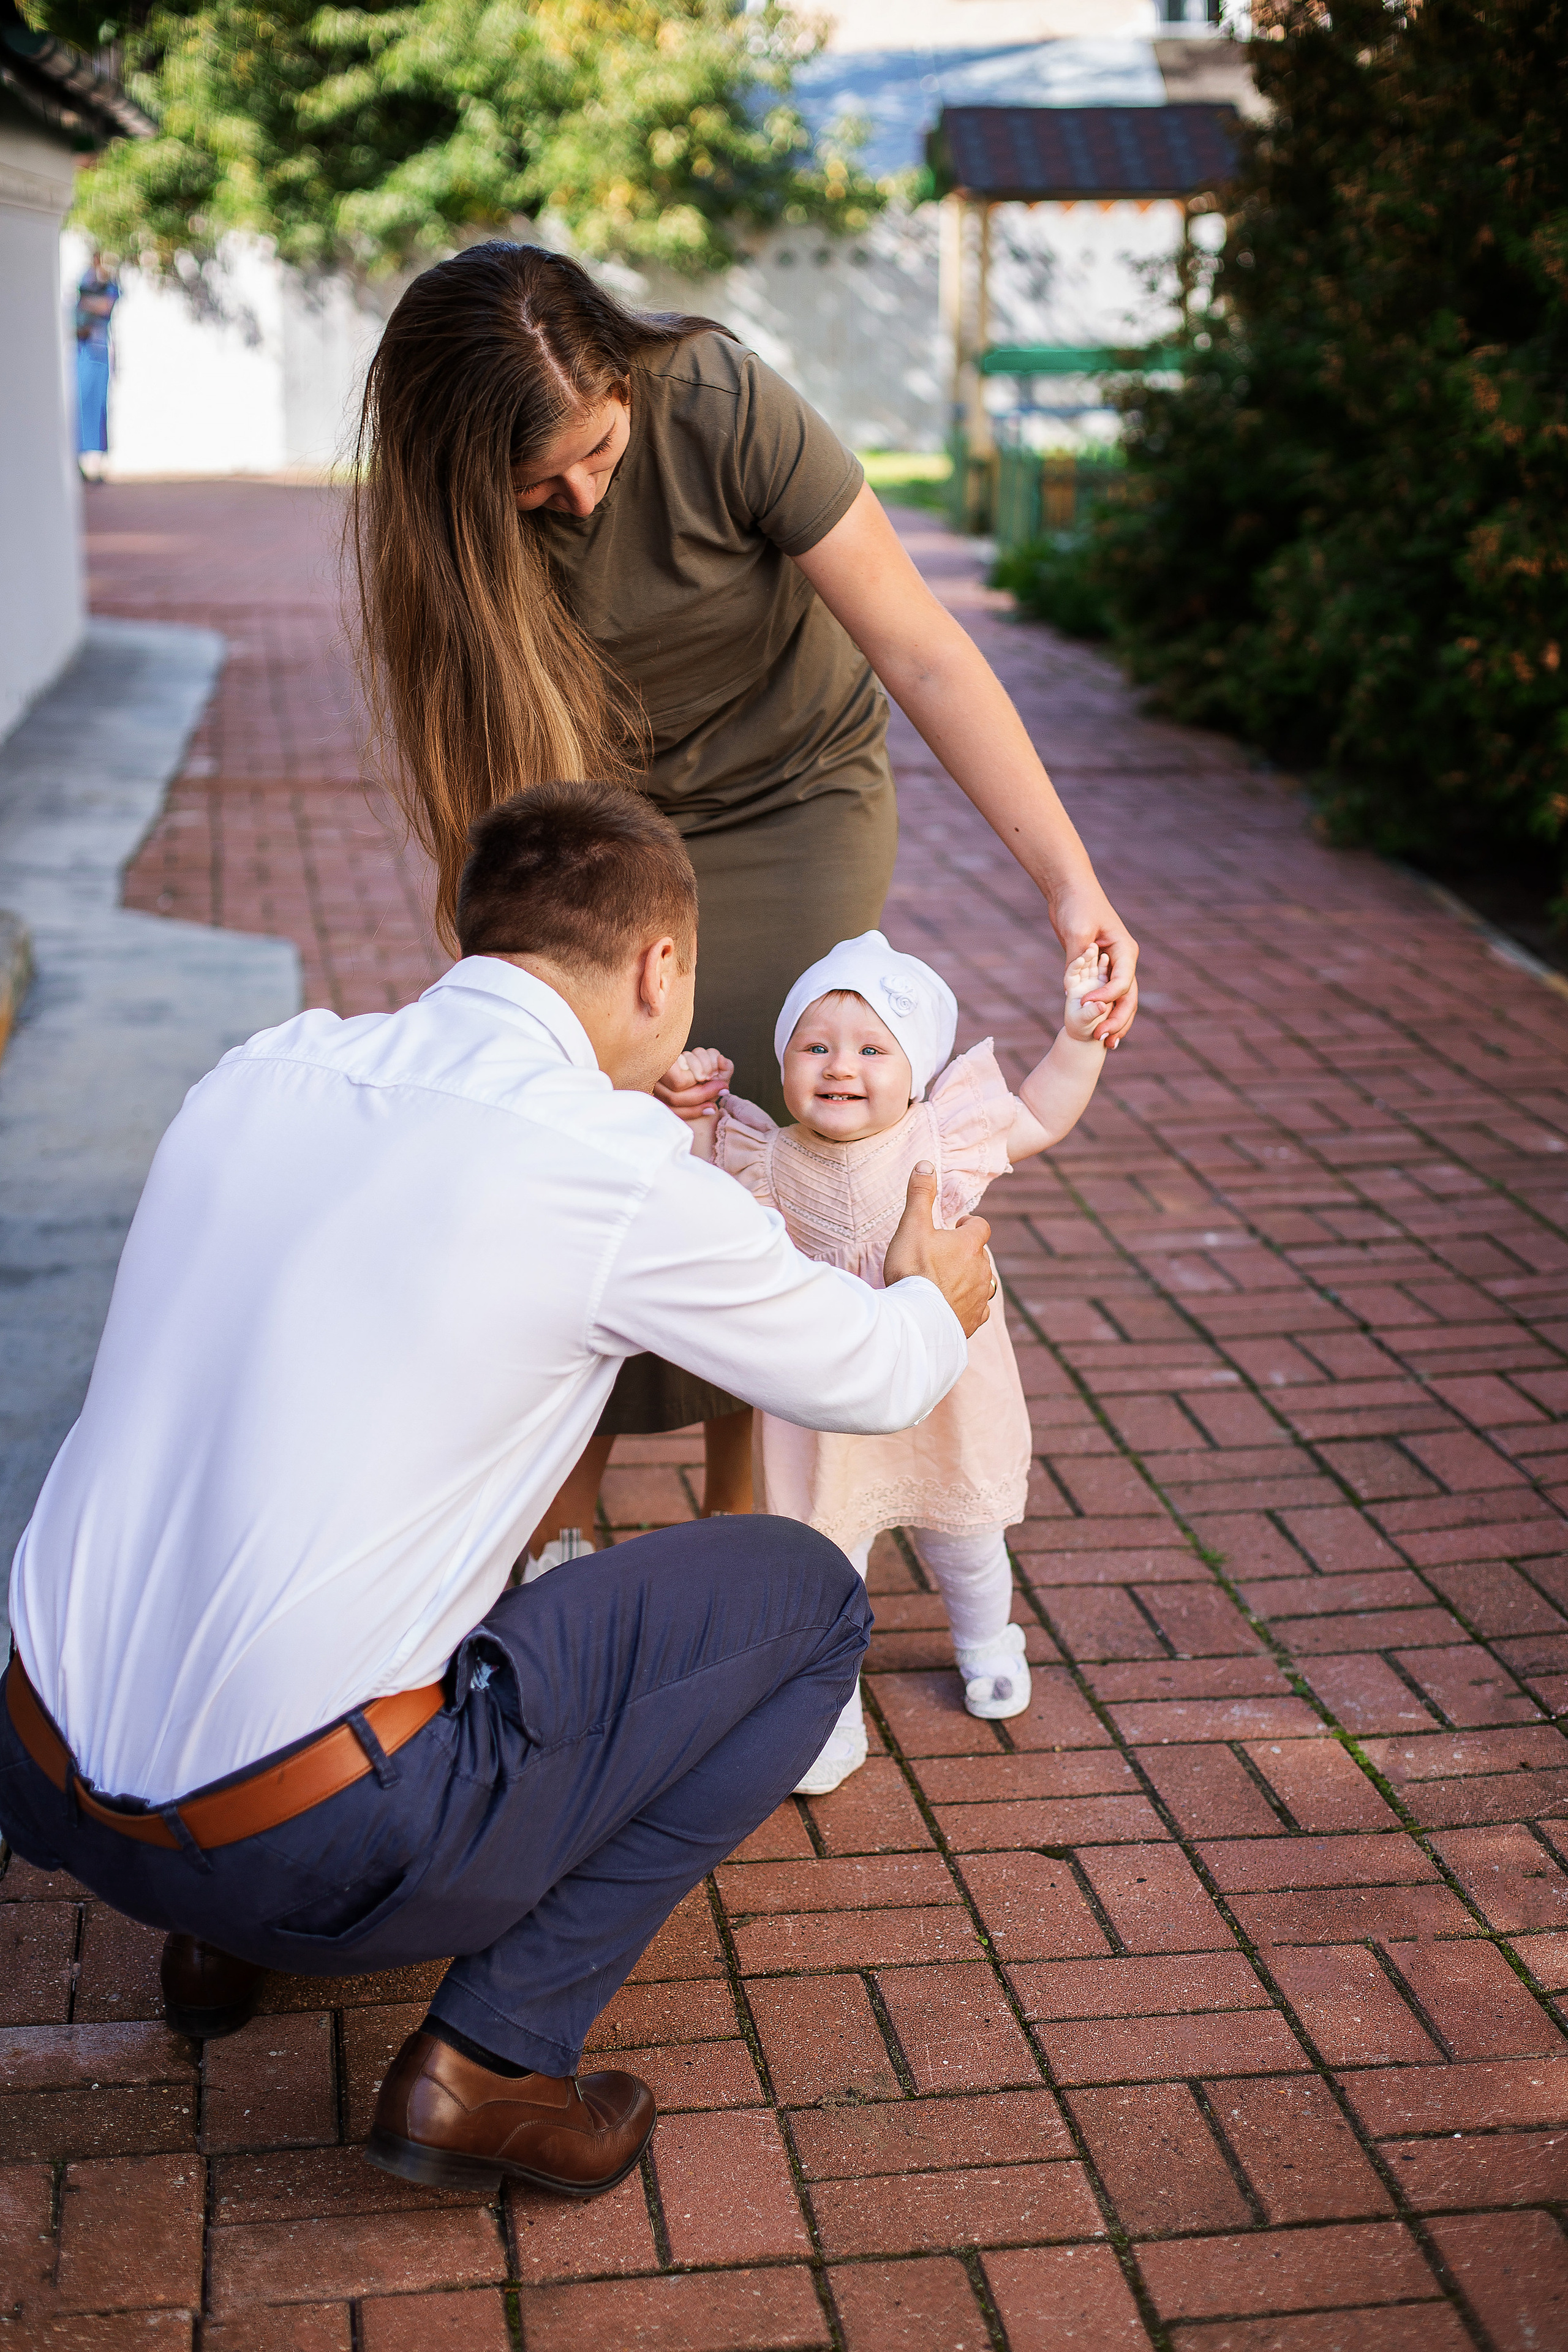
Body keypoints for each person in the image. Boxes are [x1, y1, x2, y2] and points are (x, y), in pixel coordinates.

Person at [0, 782, 994, 2197]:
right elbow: (874, 1373)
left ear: (476, 932)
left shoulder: (262, 1067)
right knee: (804, 1599)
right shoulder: (608, 1169)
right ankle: (492, 2058)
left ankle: (224, 1934)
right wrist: (935, 1293)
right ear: (660, 967)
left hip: (42, 1769)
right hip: (301, 1839)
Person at [349, 240, 1139, 1555]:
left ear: (622, 380)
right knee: (592, 1137)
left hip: (794, 796)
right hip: (597, 826)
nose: (587, 496)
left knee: (766, 1131)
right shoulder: (437, 546)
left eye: (600, 452)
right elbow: (483, 815)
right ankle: (550, 1516)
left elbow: (923, 651)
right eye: (541, 482)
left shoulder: (717, 400)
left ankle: (747, 1517)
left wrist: (1071, 885)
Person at [670, 929, 1110, 1794]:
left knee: (966, 1528)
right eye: (816, 1045)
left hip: (946, 1386)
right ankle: (829, 1712)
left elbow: (1042, 1113)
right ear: (785, 1060)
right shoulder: (761, 1156)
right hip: (822, 1395)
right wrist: (688, 1114)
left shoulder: (942, 1143)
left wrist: (1081, 1038)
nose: (842, 1066)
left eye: (875, 1049)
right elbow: (691, 1197)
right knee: (825, 1557)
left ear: (917, 1072)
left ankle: (988, 1639)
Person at [75, 251, 119, 481]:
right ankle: (81, 463)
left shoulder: (107, 284)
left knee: (100, 408)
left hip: (99, 353)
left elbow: (104, 307)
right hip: (84, 354)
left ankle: (98, 465)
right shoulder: (85, 281)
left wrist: (89, 302)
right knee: (80, 408)